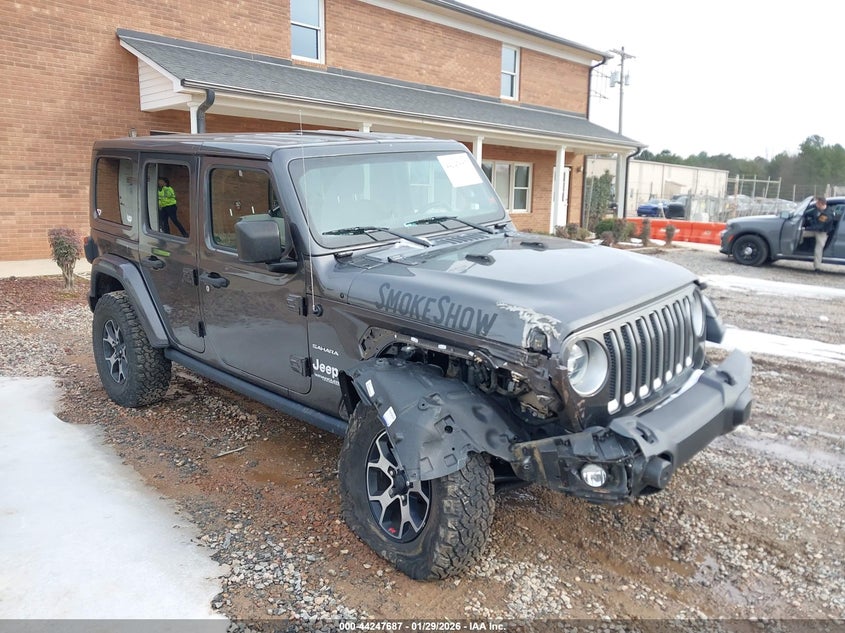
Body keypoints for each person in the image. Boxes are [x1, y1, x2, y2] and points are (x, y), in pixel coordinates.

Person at [802, 195, 833, 272]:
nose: (815, 204)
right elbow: (807, 213)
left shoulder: (827, 214)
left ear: (821, 204)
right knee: (798, 233)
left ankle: (817, 268)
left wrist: (806, 228)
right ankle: (796, 247)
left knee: (818, 249)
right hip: (814, 229)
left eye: (817, 203)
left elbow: (819, 226)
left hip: (822, 232)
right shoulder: (816, 209)